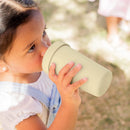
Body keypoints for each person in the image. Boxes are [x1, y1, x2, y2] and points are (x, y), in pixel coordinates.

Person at [0, 0, 87, 130]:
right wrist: (69, 104)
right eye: (31, 48)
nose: (46, 49)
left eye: (43, 33)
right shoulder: (12, 103)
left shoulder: (39, 65)